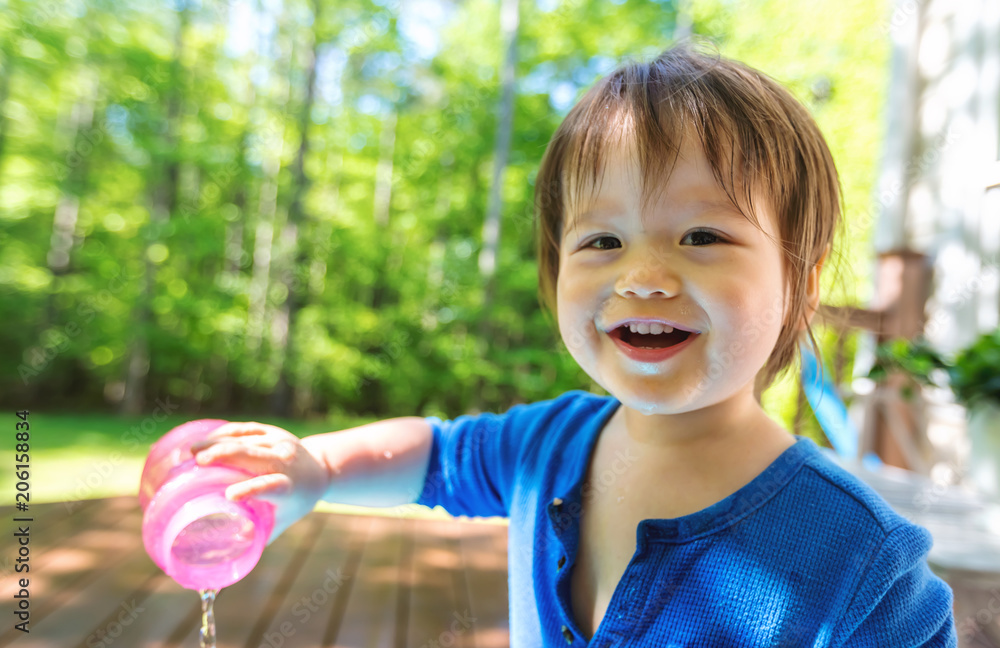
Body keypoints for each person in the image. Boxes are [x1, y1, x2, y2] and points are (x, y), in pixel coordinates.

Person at [190, 44, 958, 647]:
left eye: (702, 235)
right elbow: (438, 456)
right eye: (602, 240)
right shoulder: (547, 445)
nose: (645, 276)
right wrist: (317, 469)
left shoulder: (862, 565)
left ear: (801, 276)